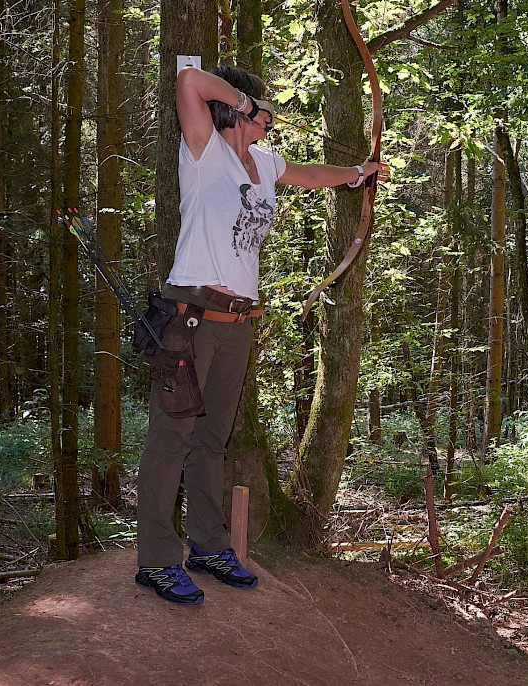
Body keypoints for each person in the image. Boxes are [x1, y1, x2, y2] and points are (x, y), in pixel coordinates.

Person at [135, 64, 385, 605]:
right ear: (238, 109)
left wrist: (358, 172)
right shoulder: (204, 149)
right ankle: (156, 558)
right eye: (257, 106)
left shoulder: (264, 163)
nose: (268, 115)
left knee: (210, 439)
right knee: (171, 437)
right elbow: (189, 84)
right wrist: (246, 105)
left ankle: (206, 544)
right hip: (190, 319)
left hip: (237, 324)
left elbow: (311, 175)